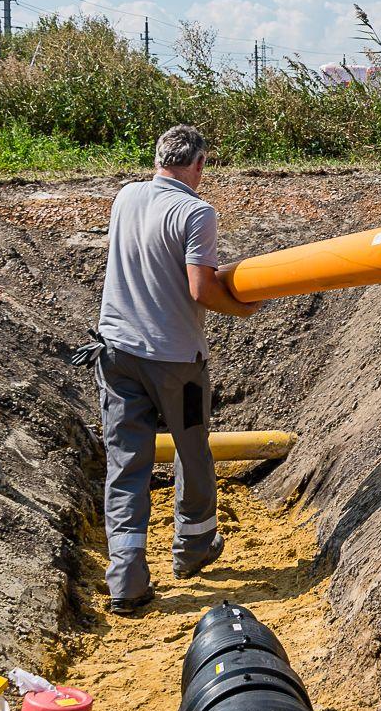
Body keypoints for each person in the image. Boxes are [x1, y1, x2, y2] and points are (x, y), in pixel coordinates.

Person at [90, 124, 261, 615]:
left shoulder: (126, 196)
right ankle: (192, 548)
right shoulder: (196, 212)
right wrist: (246, 307)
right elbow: (201, 289)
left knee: (126, 464)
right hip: (175, 361)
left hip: (116, 352)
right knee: (191, 450)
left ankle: (125, 579)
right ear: (200, 164)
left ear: (158, 157)